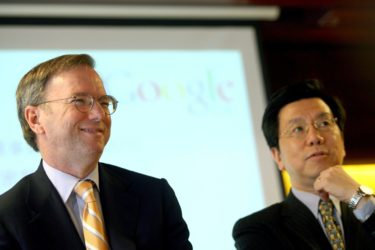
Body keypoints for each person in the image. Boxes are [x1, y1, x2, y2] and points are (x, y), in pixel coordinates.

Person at [0, 54, 193, 250]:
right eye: (80, 101)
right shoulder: (7, 218)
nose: (99, 114)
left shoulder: (154, 197)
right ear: (35, 119)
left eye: (104, 102)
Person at [232, 79, 375, 249]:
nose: (315, 137)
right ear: (277, 156)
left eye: (324, 123)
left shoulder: (368, 208)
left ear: (342, 141)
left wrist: (358, 197)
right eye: (298, 129)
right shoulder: (258, 229)